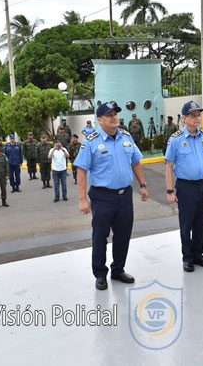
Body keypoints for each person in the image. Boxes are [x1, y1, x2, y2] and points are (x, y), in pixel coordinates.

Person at [74, 101, 148, 290]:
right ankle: (100, 274)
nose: (114, 117)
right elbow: (81, 170)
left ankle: (118, 270)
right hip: (102, 197)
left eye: (115, 114)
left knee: (123, 235)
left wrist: (143, 185)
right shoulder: (91, 142)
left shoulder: (126, 137)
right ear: (100, 120)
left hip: (125, 195)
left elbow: (136, 162)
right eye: (109, 115)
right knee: (100, 236)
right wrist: (82, 199)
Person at [165, 101, 203, 272]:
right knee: (186, 224)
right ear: (184, 118)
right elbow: (169, 166)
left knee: (201, 222)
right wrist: (170, 191)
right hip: (186, 187)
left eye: (198, 115)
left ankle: (198, 254)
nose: (197, 118)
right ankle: (187, 257)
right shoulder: (176, 139)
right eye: (193, 115)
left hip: (202, 186)